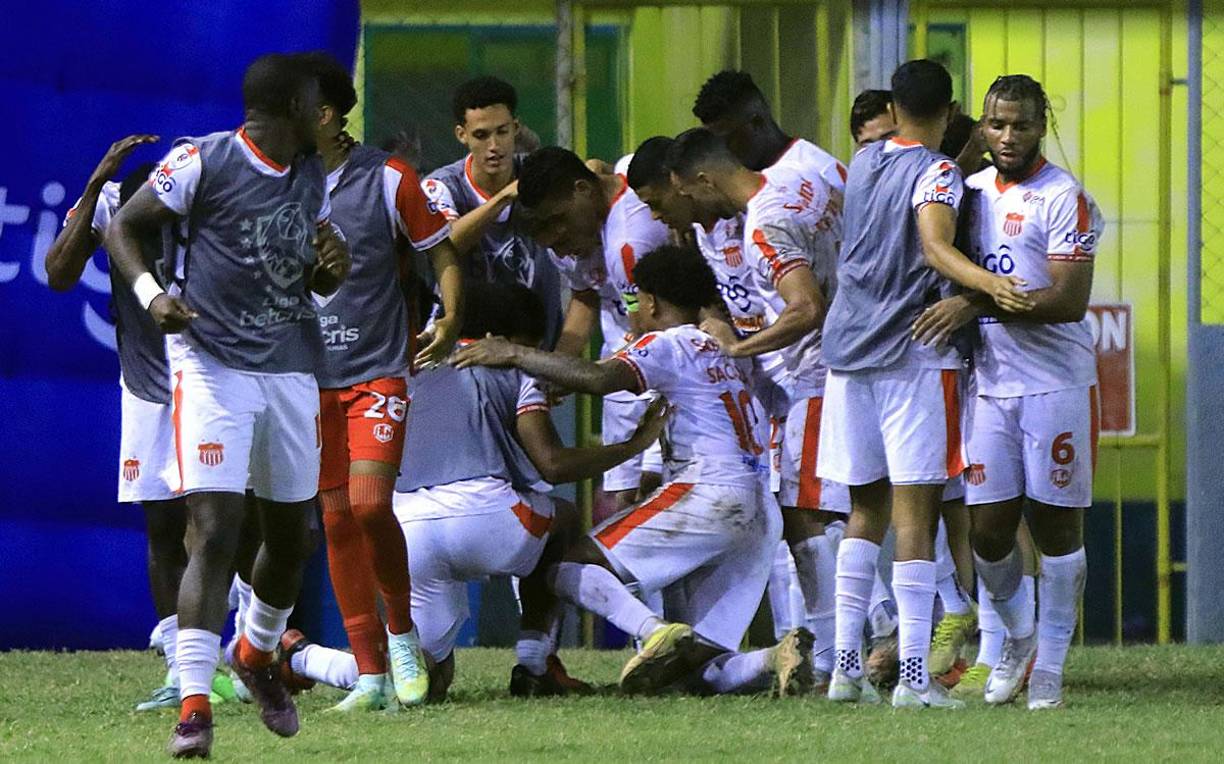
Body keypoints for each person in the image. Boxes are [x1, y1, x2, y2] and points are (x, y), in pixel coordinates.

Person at [106, 53, 351, 758]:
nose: (327, 116)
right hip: (210, 364)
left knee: (292, 539)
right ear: (289, 108)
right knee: (213, 530)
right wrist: (155, 298)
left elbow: (305, 280)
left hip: (290, 367)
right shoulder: (202, 160)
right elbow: (124, 225)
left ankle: (256, 652)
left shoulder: (311, 176)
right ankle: (192, 707)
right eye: (317, 103)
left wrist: (327, 275)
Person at [454, 245, 812, 697]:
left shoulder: (665, 343)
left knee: (565, 566)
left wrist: (514, 354)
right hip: (760, 508)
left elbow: (600, 378)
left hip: (707, 492)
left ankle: (653, 631)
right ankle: (775, 656)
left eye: (633, 301)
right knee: (699, 669)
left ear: (652, 302)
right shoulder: (726, 348)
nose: (632, 312)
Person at [278, 281, 662, 699]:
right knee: (564, 520)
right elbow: (550, 463)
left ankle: (300, 657)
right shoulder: (514, 367)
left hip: (406, 531)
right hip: (488, 518)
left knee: (423, 682)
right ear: (507, 340)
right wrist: (631, 447)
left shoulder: (397, 366)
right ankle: (535, 661)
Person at [816, 59, 1033, 709]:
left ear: (894, 107)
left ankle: (844, 671)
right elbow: (935, 245)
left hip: (847, 352)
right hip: (912, 354)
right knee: (915, 519)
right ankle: (914, 681)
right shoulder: (937, 173)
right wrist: (989, 284)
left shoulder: (865, 162)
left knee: (863, 512)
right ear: (952, 106)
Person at [913, 74, 1102, 709]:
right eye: (996, 124)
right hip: (988, 384)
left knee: (1055, 529)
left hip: (1054, 384)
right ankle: (1018, 637)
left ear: (1040, 126)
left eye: (1020, 125)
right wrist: (976, 298)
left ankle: (1049, 665)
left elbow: (1070, 301)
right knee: (989, 532)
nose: (1007, 136)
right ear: (982, 127)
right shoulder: (966, 194)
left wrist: (977, 304)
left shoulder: (1063, 197)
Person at [300, 51, 462, 712]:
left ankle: (401, 634)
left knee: (370, 504)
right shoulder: (277, 183)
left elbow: (443, 255)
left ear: (326, 115)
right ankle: (368, 676)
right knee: (335, 521)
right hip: (307, 381)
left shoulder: (390, 178)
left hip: (377, 372)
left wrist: (451, 317)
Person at [664, 128, 846, 689]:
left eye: (688, 197)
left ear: (702, 179)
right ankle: (848, 644)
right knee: (835, 511)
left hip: (814, 377)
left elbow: (805, 307)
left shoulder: (763, 221)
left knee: (804, 516)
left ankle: (838, 649)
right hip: (843, 369)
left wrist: (741, 347)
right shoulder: (802, 187)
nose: (691, 213)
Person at [45, 138, 196, 711]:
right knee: (163, 526)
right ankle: (185, 672)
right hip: (146, 387)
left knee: (221, 522)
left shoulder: (213, 201)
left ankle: (257, 644)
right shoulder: (113, 203)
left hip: (212, 378)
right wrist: (92, 183)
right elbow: (59, 273)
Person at [515, 146, 670, 511]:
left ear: (582, 190)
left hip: (653, 371)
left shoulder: (629, 242)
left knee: (654, 489)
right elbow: (585, 299)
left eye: (560, 219)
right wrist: (558, 370)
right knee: (617, 500)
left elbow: (652, 333)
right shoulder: (566, 243)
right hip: (619, 363)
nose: (557, 239)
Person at [421, 76, 564, 347]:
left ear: (516, 128)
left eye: (502, 132)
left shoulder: (540, 175)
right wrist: (504, 197)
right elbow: (445, 245)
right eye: (481, 135)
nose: (494, 146)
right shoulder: (440, 186)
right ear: (461, 134)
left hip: (536, 347)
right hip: (460, 349)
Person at [692, 69, 847, 198]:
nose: (722, 153)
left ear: (756, 123)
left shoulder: (821, 171)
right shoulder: (743, 188)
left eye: (726, 141)